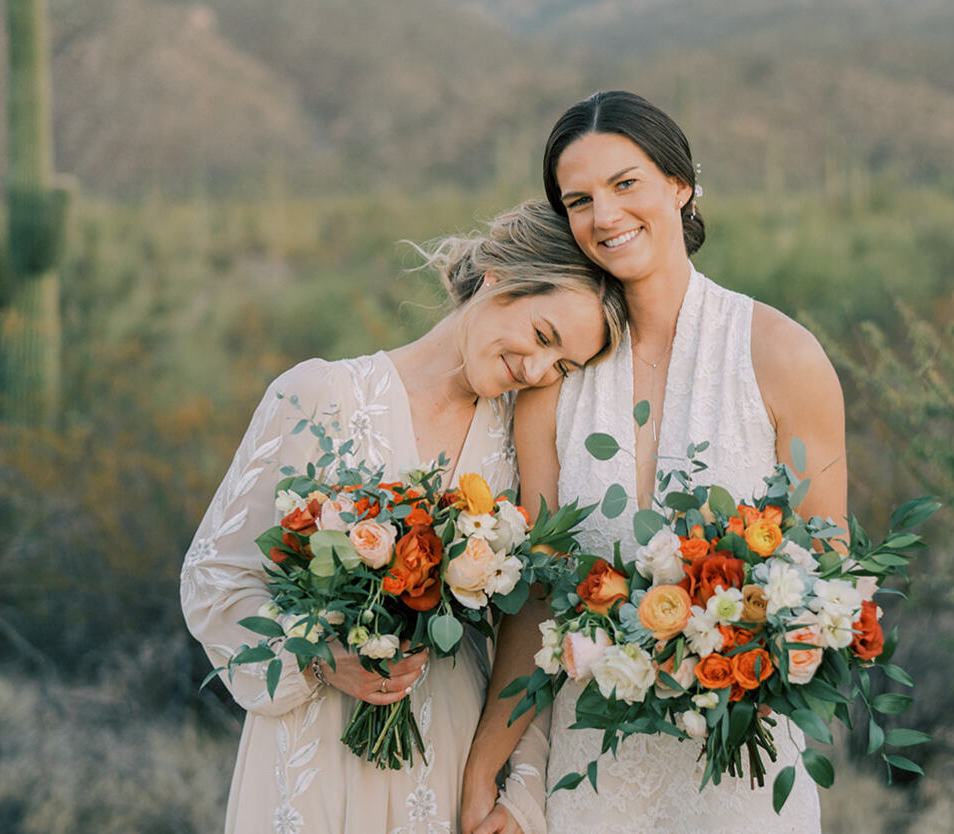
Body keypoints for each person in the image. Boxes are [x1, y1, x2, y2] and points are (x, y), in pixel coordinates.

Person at [461, 91, 847, 834]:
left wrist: (733, 649)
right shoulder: (555, 381)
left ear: (680, 185)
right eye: (579, 200)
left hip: (743, 763)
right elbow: (538, 599)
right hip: (594, 771)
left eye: (625, 184)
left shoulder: (783, 356)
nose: (604, 216)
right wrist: (489, 771)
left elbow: (827, 574)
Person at [181, 200, 627, 834]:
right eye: (542, 336)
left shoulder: (521, 437)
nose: (535, 370)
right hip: (315, 752)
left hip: (448, 755)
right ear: (499, 278)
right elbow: (213, 576)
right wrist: (319, 657)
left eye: (560, 367)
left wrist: (519, 787)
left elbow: (533, 622)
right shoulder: (316, 397)